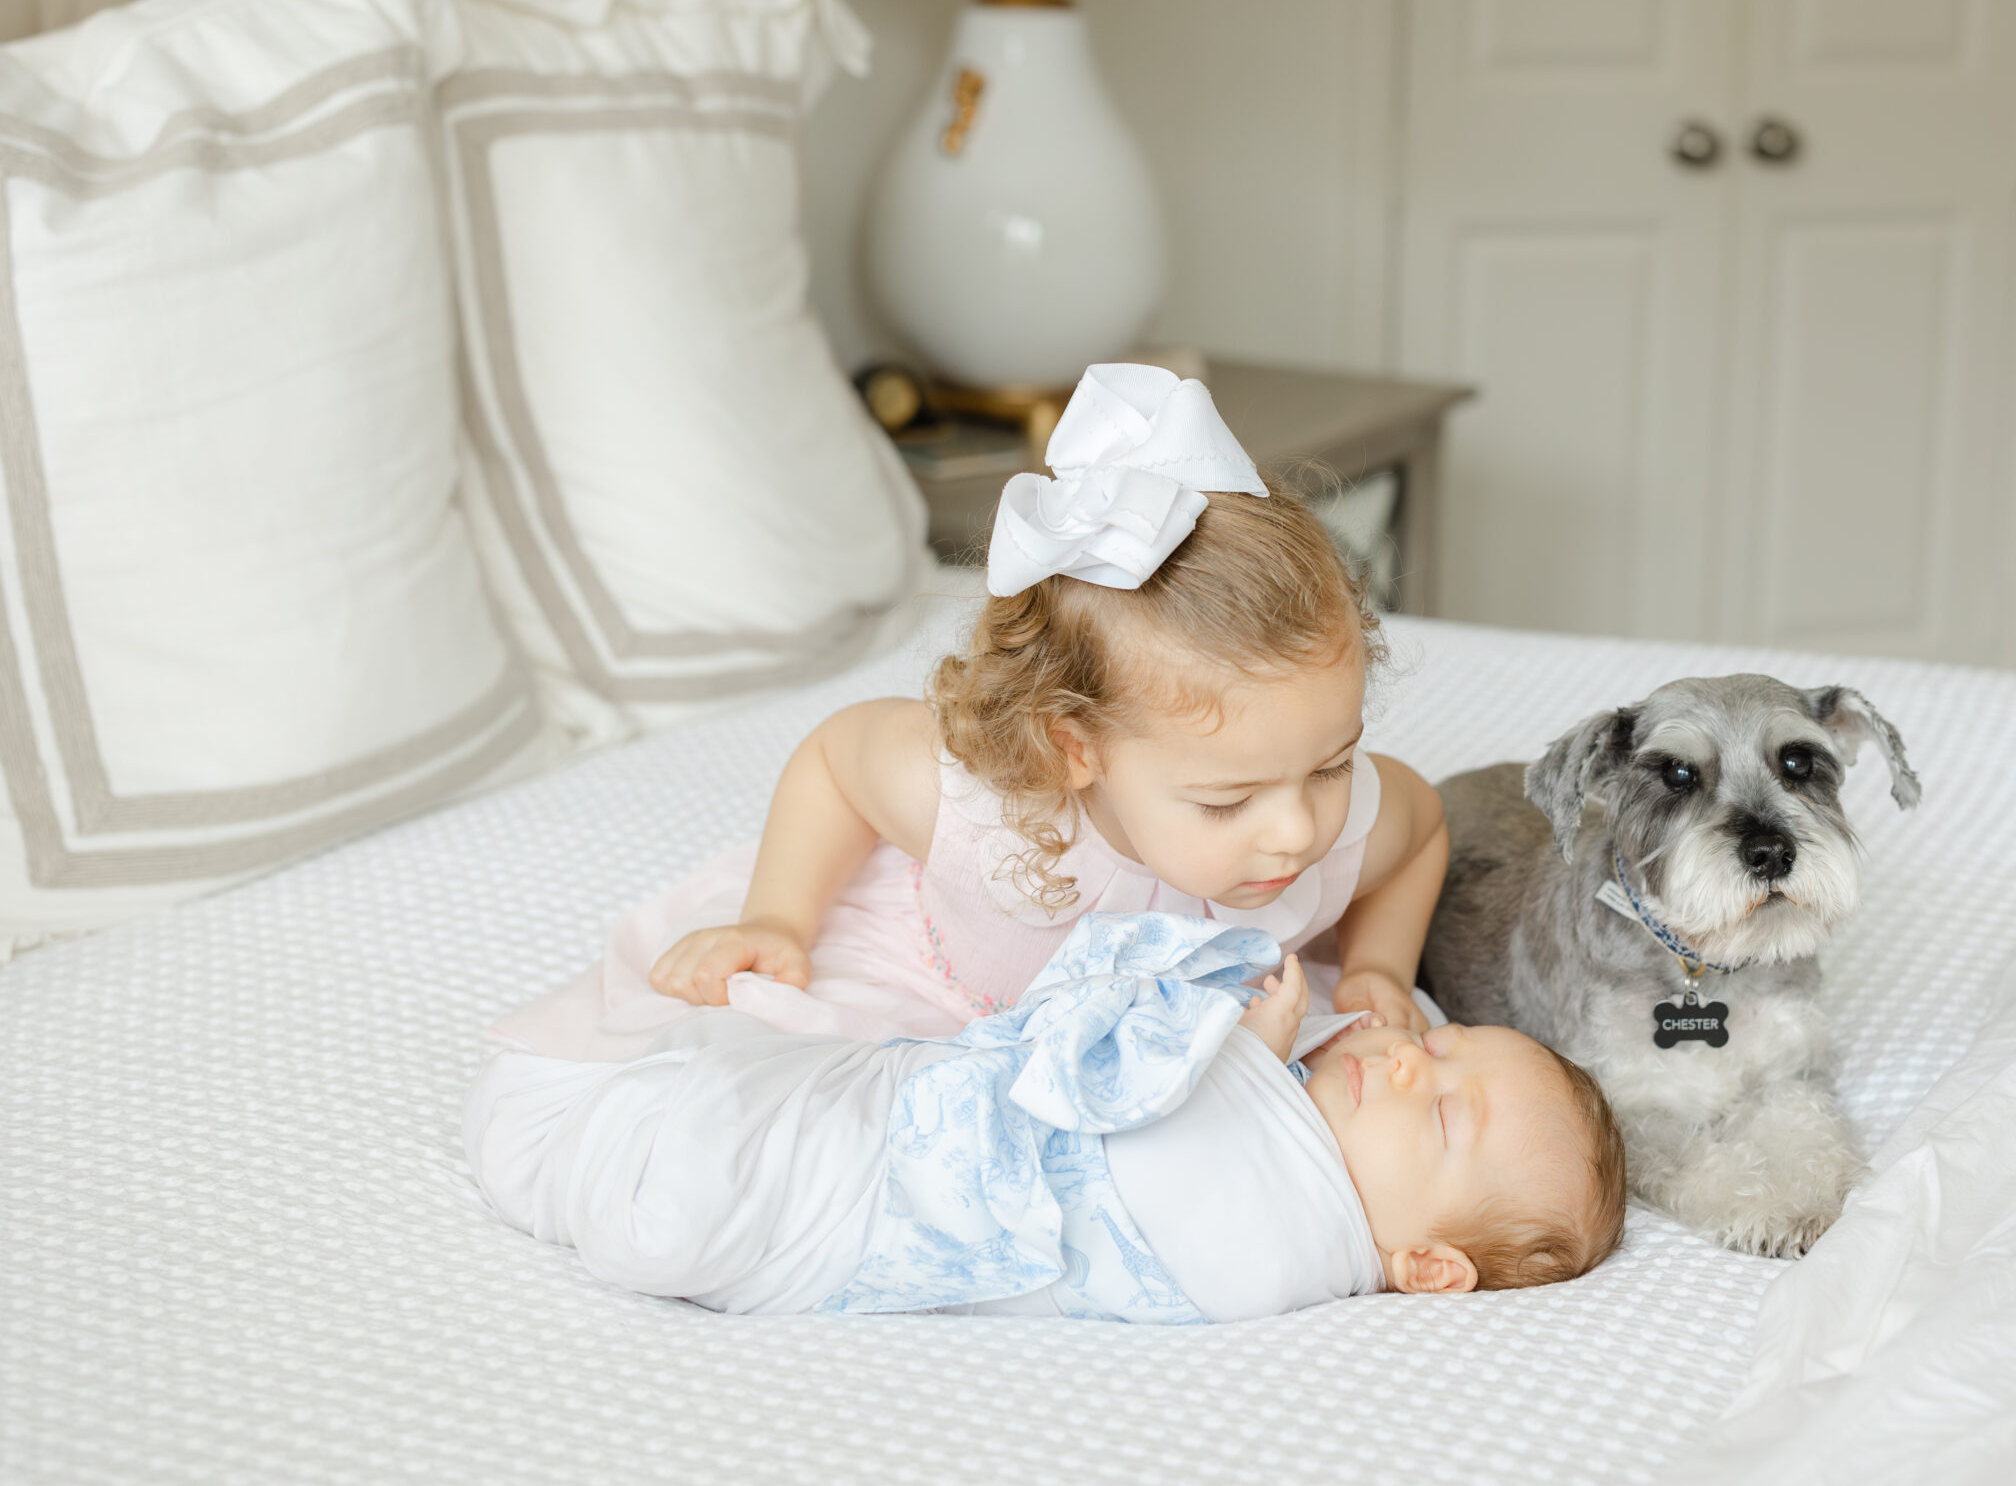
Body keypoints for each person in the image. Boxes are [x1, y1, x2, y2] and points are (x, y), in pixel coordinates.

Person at [494, 364, 1449, 1063]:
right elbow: (836, 758)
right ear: (1076, 749)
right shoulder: (984, 815)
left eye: (1329, 765)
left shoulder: (1336, 822)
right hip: (952, 985)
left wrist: (1377, 965)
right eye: (1226, 800)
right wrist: (779, 917)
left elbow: (1424, 828)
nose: (1299, 832)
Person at [464, 913, 1628, 1321]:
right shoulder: (1292, 1120)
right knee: (788, 1095)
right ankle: (649, 1158)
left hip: (861, 1217)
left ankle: (670, 1192)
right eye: (1435, 1046)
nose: (1410, 1067)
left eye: (1441, 1121)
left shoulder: (1281, 1253)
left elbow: (1119, 1116)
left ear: (1424, 1265)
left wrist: (1223, 1040)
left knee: (770, 1166)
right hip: (903, 1125)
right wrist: (1262, 1052)